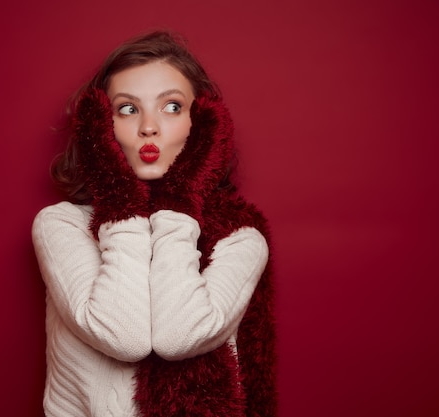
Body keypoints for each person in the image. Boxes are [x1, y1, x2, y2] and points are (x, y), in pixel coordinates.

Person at [32, 30, 276, 417]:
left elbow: (177, 337)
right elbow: (124, 336)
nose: (149, 127)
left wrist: (178, 204)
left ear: (205, 126)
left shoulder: (241, 239)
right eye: (127, 109)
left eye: (172, 107)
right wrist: (120, 201)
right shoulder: (60, 226)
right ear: (98, 125)